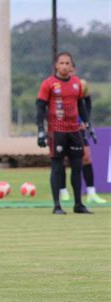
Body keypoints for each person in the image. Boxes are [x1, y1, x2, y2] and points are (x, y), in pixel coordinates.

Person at [36, 52, 96, 215]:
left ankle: (78, 204)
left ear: (71, 66)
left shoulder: (77, 83)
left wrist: (88, 124)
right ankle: (57, 205)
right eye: (61, 63)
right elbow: (40, 107)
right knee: (57, 167)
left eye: (67, 63)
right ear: (56, 65)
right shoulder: (48, 84)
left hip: (74, 131)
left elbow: (81, 106)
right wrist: (41, 130)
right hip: (57, 131)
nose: (64, 66)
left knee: (77, 167)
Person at [59, 62, 106, 204]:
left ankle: (91, 193)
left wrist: (85, 124)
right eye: (65, 67)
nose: (68, 70)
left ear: (74, 70)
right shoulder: (55, 87)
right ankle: (63, 191)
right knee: (61, 160)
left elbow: (86, 109)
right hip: (61, 128)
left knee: (86, 157)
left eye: (71, 69)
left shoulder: (81, 87)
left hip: (77, 129)